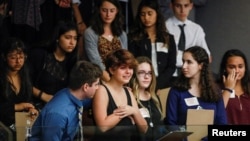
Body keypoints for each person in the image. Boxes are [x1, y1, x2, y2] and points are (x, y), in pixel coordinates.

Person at [30, 60, 102, 141]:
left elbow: (89, 101)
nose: (98, 88)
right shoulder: (59, 114)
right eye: (96, 84)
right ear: (85, 87)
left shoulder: (72, 94)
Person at [165, 46, 227, 140]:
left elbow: (221, 123)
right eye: (183, 61)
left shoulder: (215, 92)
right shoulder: (176, 91)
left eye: (189, 62)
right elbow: (171, 123)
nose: (184, 66)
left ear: (201, 65)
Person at [92, 49, 148, 141]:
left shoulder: (128, 92)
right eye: (123, 68)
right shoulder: (102, 90)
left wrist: (134, 111)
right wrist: (125, 111)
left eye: (130, 68)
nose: (128, 72)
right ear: (111, 70)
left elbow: (144, 129)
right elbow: (103, 126)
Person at [28, 20, 78, 110]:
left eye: (75, 38)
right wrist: (43, 96)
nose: (72, 42)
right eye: (68, 37)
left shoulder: (72, 61)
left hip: (61, 107)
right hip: (36, 106)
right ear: (57, 38)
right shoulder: (39, 55)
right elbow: (24, 82)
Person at [128, 0, 176, 92]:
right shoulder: (133, 38)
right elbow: (132, 63)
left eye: (150, 13)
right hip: (140, 85)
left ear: (157, 14)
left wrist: (157, 84)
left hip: (163, 86)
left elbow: (171, 66)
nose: (146, 17)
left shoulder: (168, 38)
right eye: (142, 14)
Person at [0, 37, 38, 140]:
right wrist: (18, 106)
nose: (18, 61)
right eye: (13, 58)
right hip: (4, 124)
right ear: (4, 57)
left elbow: (29, 99)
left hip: (22, 121)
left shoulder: (25, 74)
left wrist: (31, 108)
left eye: (21, 57)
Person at [166, 0, 211, 82]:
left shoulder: (197, 29)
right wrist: (193, 58)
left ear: (191, 6)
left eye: (186, 6)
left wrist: (177, 55)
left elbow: (206, 56)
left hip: (192, 76)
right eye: (178, 6)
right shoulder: (164, 28)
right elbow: (165, 58)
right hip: (170, 76)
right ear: (171, 6)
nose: (182, 10)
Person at [84, 0, 127, 83]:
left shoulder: (122, 34)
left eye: (112, 11)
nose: (108, 14)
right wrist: (111, 81)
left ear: (117, 11)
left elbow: (124, 58)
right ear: (99, 10)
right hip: (97, 78)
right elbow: (95, 61)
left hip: (120, 77)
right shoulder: (90, 33)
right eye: (104, 10)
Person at [129, 56, 167, 141]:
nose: (147, 77)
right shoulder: (129, 97)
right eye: (142, 72)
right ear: (134, 74)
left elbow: (161, 126)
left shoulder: (155, 97)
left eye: (149, 73)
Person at [217, 49, 250, 124]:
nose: (237, 70)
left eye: (240, 66)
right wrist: (228, 89)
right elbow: (217, 114)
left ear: (245, 68)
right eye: (232, 67)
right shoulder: (216, 88)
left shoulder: (248, 87)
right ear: (225, 69)